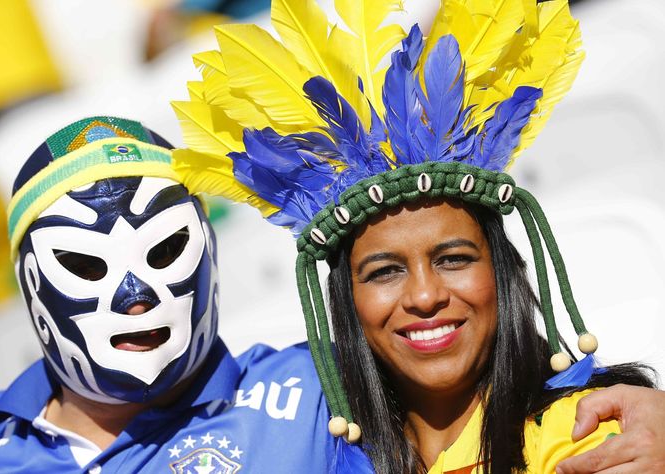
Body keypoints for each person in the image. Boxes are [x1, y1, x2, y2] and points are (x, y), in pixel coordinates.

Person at [170, 0, 665, 472]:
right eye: (384, 271)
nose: (425, 296)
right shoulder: (303, 441)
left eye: (453, 259)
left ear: (503, 269)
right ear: (346, 301)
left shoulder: (589, 440)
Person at [0, 116, 338, 472]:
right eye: (86, 265)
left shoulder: (317, 392)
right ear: (30, 281)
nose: (135, 298)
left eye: (165, 250)